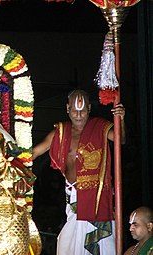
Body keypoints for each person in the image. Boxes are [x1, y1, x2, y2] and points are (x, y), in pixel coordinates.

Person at [32, 89, 126, 255]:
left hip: (96, 195)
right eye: (74, 110)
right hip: (73, 194)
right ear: (67, 109)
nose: (78, 114)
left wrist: (121, 119)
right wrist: (11, 160)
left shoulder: (100, 127)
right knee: (69, 242)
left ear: (89, 108)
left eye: (82, 110)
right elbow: (35, 152)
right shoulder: (60, 132)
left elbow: (120, 139)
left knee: (101, 243)